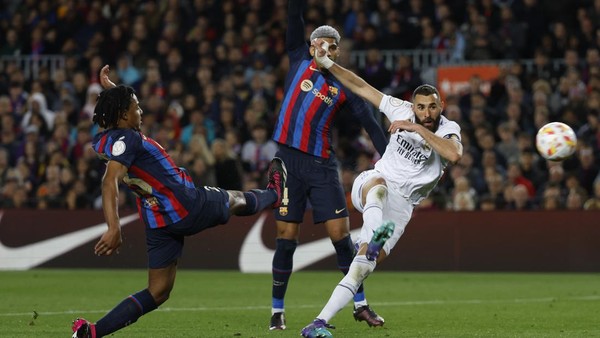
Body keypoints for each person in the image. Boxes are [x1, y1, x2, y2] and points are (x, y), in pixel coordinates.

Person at [71, 65, 287, 338]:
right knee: (235, 199)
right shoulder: (128, 139)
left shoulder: (107, 140)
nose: (141, 111)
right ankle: (276, 194)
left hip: (157, 219)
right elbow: (109, 182)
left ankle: (91, 333)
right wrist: (113, 226)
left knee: (158, 291)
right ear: (124, 115)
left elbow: (117, 122)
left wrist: (112, 89)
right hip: (184, 205)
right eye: (136, 107)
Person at [300, 40, 463, 338]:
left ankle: (318, 323)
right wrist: (327, 65)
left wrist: (416, 128)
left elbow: (453, 154)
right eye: (420, 108)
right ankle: (374, 237)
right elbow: (360, 86)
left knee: (361, 267)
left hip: (401, 209)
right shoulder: (399, 108)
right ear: (413, 105)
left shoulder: (447, 130)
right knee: (378, 187)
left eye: (432, 107)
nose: (426, 112)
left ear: (441, 106)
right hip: (373, 184)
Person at [268, 0, 389, 331]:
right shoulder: (297, 59)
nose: (331, 50)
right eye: (326, 44)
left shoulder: (343, 85)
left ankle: (360, 305)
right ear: (312, 45)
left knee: (341, 238)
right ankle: (277, 310)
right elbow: (294, 15)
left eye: (335, 47)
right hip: (288, 162)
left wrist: (391, 159)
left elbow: (370, 122)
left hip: (322, 167)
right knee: (286, 236)